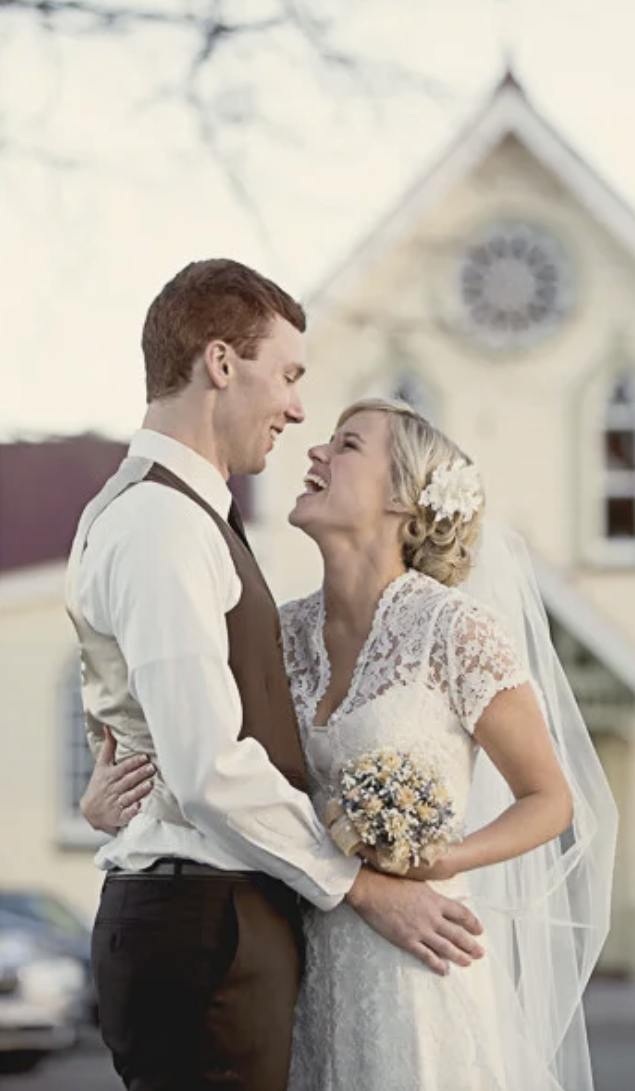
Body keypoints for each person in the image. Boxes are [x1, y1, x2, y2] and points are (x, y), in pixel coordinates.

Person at [83, 394, 618, 1090]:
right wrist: (112, 805)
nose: (316, 452)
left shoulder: (455, 632)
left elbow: (550, 800)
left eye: (348, 445)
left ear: (404, 499)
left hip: (418, 966)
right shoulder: (278, 634)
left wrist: (439, 859)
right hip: (295, 963)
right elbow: (210, 760)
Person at [66, 263, 485, 1091]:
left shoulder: (172, 514)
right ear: (221, 364)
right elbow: (207, 765)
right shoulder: (162, 525)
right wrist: (363, 887)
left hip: (215, 917)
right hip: (204, 928)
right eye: (289, 376)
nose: (299, 410)